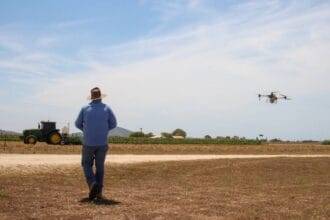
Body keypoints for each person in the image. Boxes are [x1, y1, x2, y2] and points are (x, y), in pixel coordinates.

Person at [75, 87, 117, 200]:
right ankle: (99, 193)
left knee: (86, 164)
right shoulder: (106, 108)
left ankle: (93, 184)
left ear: (92, 97)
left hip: (88, 142)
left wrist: (86, 130)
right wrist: (103, 130)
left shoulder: (85, 108)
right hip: (102, 143)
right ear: (100, 96)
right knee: (100, 167)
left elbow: (77, 124)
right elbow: (114, 124)